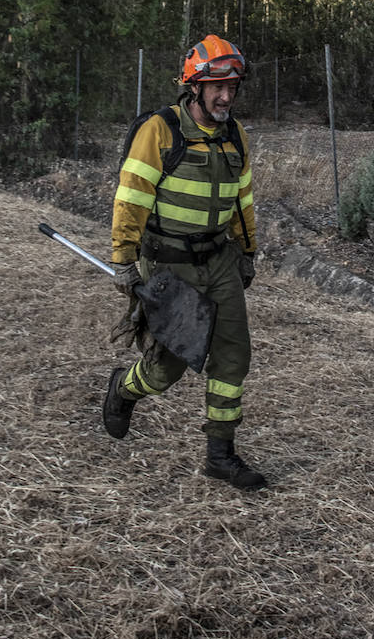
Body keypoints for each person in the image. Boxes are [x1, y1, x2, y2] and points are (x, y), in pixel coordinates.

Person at [103, 34, 266, 490]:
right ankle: (124, 388)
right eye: (217, 86)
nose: (226, 96)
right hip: (170, 266)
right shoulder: (159, 131)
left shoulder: (236, 137)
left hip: (221, 261)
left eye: (232, 86)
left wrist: (247, 252)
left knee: (233, 357)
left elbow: (243, 201)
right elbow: (130, 201)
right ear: (193, 86)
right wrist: (124, 261)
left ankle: (220, 454)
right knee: (166, 370)